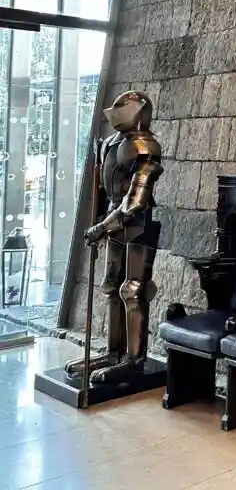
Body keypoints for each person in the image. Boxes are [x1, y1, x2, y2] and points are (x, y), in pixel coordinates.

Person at [64, 91, 163, 386]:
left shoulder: (146, 146)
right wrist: (100, 223)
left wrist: (101, 228)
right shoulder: (111, 143)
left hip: (137, 225)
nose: (115, 113)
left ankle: (133, 359)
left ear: (139, 111)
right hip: (113, 222)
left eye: (124, 108)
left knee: (133, 290)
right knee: (110, 286)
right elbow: (105, 192)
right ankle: (112, 352)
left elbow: (135, 202)